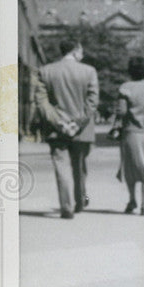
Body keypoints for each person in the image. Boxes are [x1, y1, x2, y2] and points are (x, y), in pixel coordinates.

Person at [34, 36, 99, 219]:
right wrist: (77, 122)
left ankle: (66, 207)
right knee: (79, 167)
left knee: (61, 167)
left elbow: (42, 103)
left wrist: (59, 122)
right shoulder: (89, 71)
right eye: (81, 52)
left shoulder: (45, 71)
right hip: (82, 129)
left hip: (56, 129)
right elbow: (92, 102)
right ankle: (80, 201)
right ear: (76, 51)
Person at [112, 56, 144, 215]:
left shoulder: (125, 87)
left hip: (131, 133)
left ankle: (132, 200)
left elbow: (122, 112)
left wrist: (116, 126)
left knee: (131, 169)